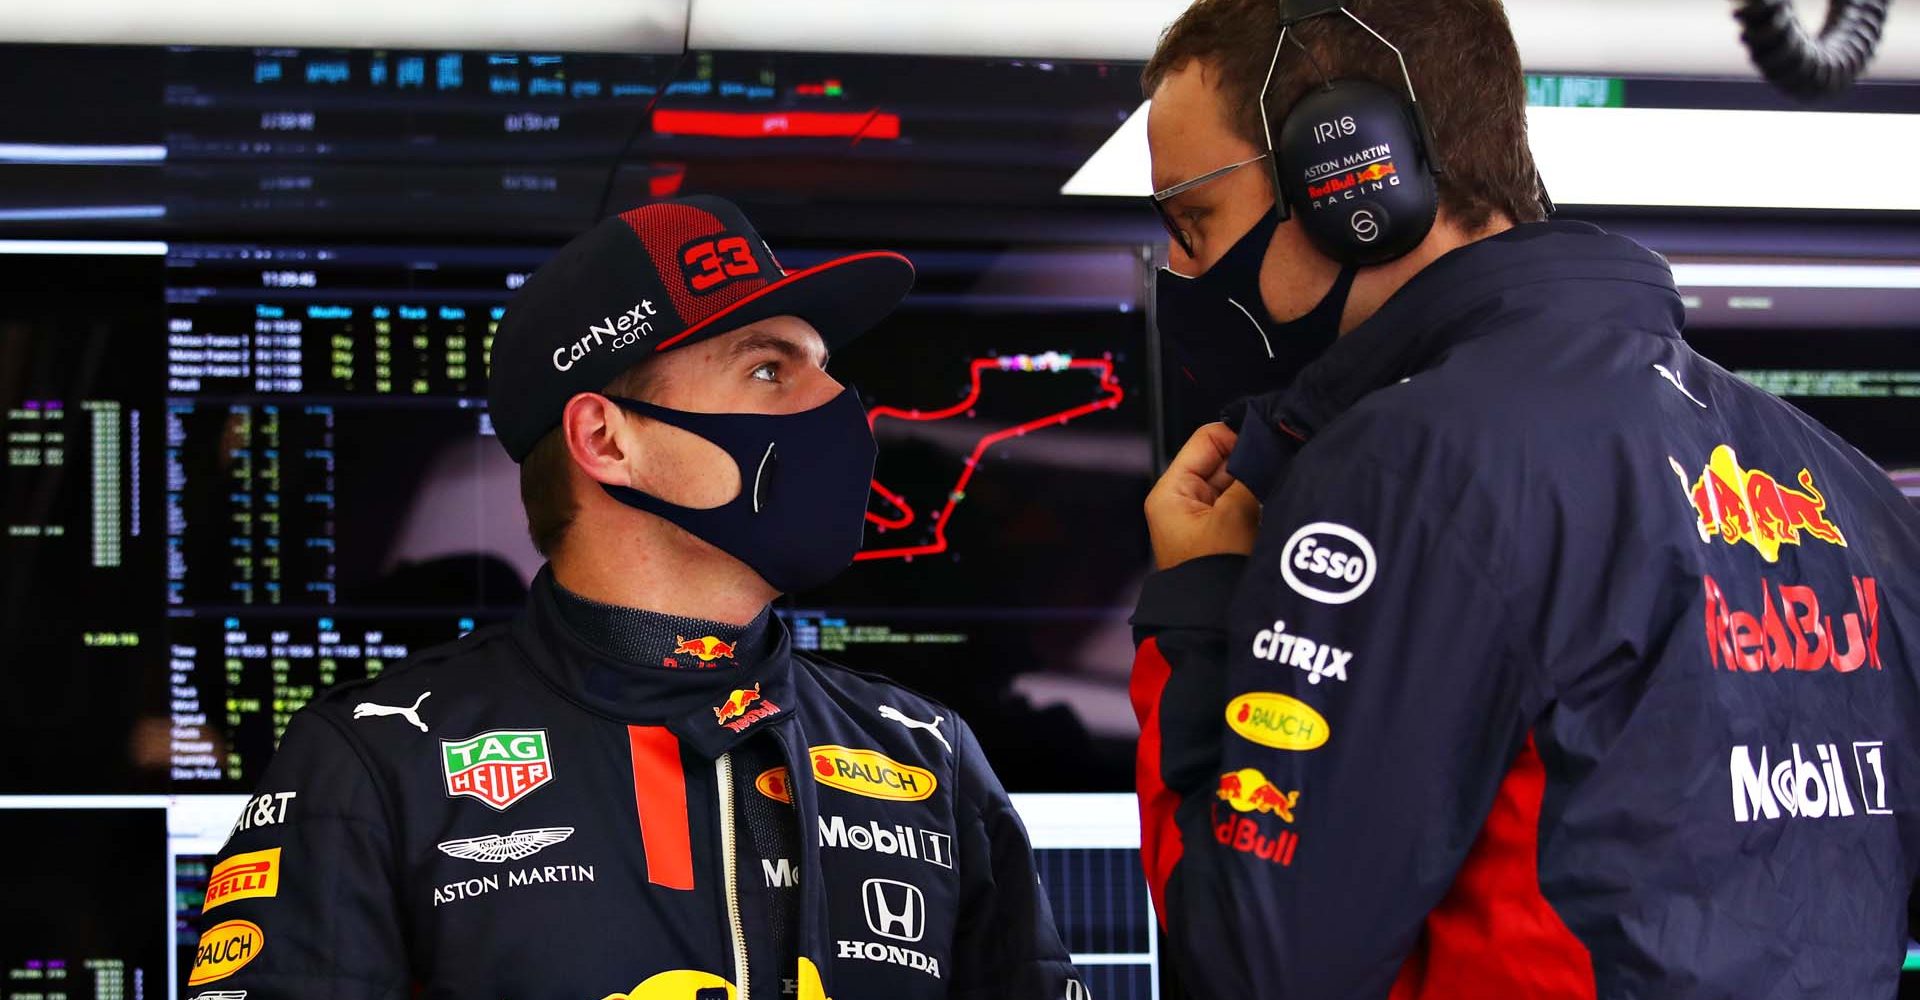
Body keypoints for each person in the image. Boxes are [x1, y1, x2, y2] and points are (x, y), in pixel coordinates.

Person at [1127, 1, 1920, 998]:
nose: (1186, 275)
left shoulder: (1403, 470)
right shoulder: (1843, 488)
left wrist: (1200, 607)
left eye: (1193, 222)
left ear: (1348, 174)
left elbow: (1251, 966)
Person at [190, 195, 1086, 999]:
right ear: (607, 440)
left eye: (825, 368)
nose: (841, 405)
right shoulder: (376, 763)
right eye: (770, 370)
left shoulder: (927, 755)